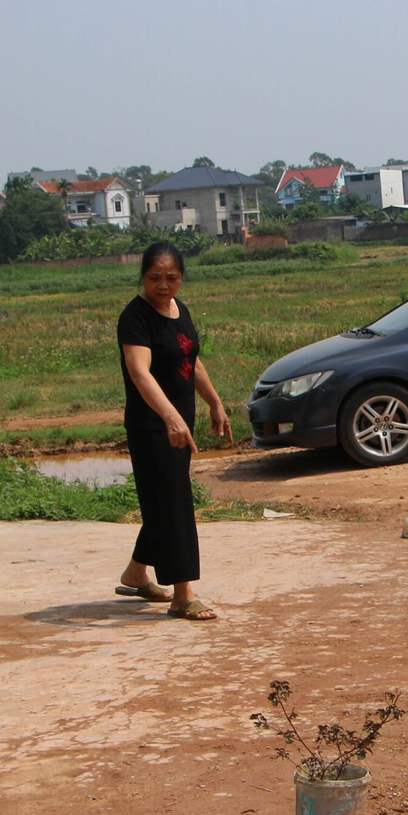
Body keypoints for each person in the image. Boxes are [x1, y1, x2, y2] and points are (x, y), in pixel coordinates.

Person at [115, 240, 231, 619]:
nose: (163, 285)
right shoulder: (135, 318)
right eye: (155, 278)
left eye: (172, 277)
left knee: (165, 498)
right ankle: (183, 595)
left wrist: (214, 401)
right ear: (143, 276)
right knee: (174, 502)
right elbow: (139, 372)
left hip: (180, 424)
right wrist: (169, 416)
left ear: (181, 277)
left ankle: (136, 573)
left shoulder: (181, 310)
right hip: (152, 425)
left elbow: (190, 360)